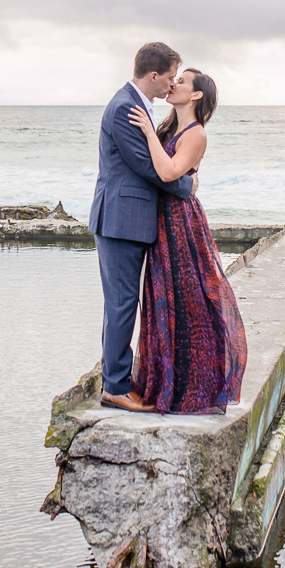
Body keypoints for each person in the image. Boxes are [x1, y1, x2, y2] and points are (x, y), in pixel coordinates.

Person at [128, 68, 247, 414]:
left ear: (196, 95)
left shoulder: (196, 134)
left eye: (182, 81)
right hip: (161, 220)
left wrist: (148, 132)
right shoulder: (168, 126)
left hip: (181, 223)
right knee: (160, 298)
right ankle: (162, 380)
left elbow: (167, 172)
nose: (173, 82)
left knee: (190, 298)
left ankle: (194, 386)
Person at [89, 42, 197, 412]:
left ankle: (115, 378)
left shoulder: (136, 105)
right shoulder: (125, 108)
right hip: (120, 220)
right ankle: (115, 387)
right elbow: (147, 168)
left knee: (120, 303)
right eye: (169, 78)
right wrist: (188, 186)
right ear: (153, 75)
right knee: (122, 303)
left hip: (126, 220)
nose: (171, 85)